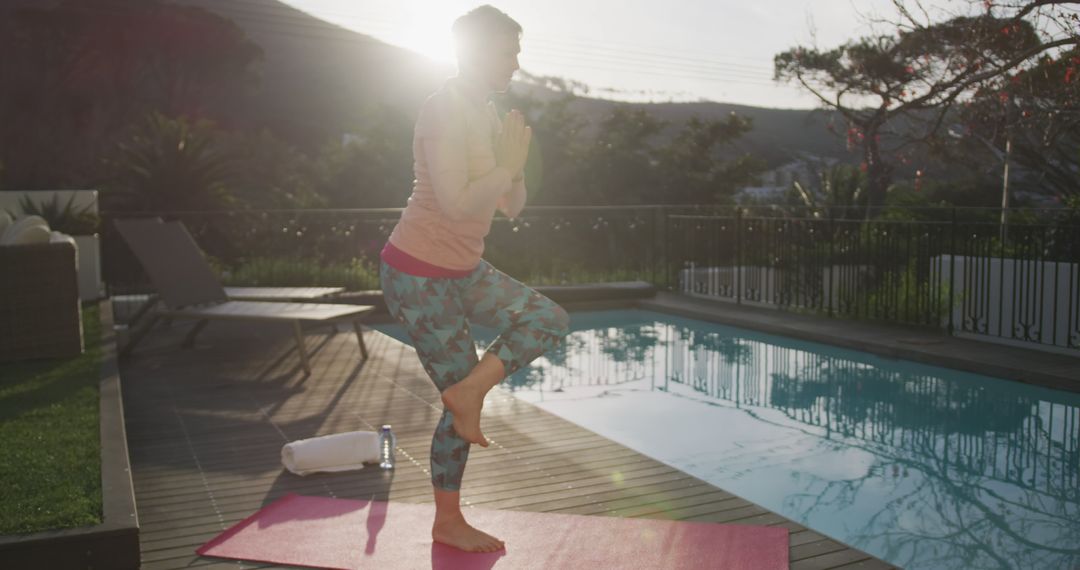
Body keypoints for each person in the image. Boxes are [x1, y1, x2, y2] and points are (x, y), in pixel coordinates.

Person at [378, 5, 571, 554]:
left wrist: (516, 168)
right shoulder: (442, 110)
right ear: (478, 50)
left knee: (549, 319)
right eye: (509, 50)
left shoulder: (487, 113)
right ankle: (448, 521)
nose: (516, 61)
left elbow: (510, 206)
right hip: (417, 273)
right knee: (458, 407)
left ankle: (468, 390)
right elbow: (459, 204)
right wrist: (505, 169)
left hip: (461, 269)